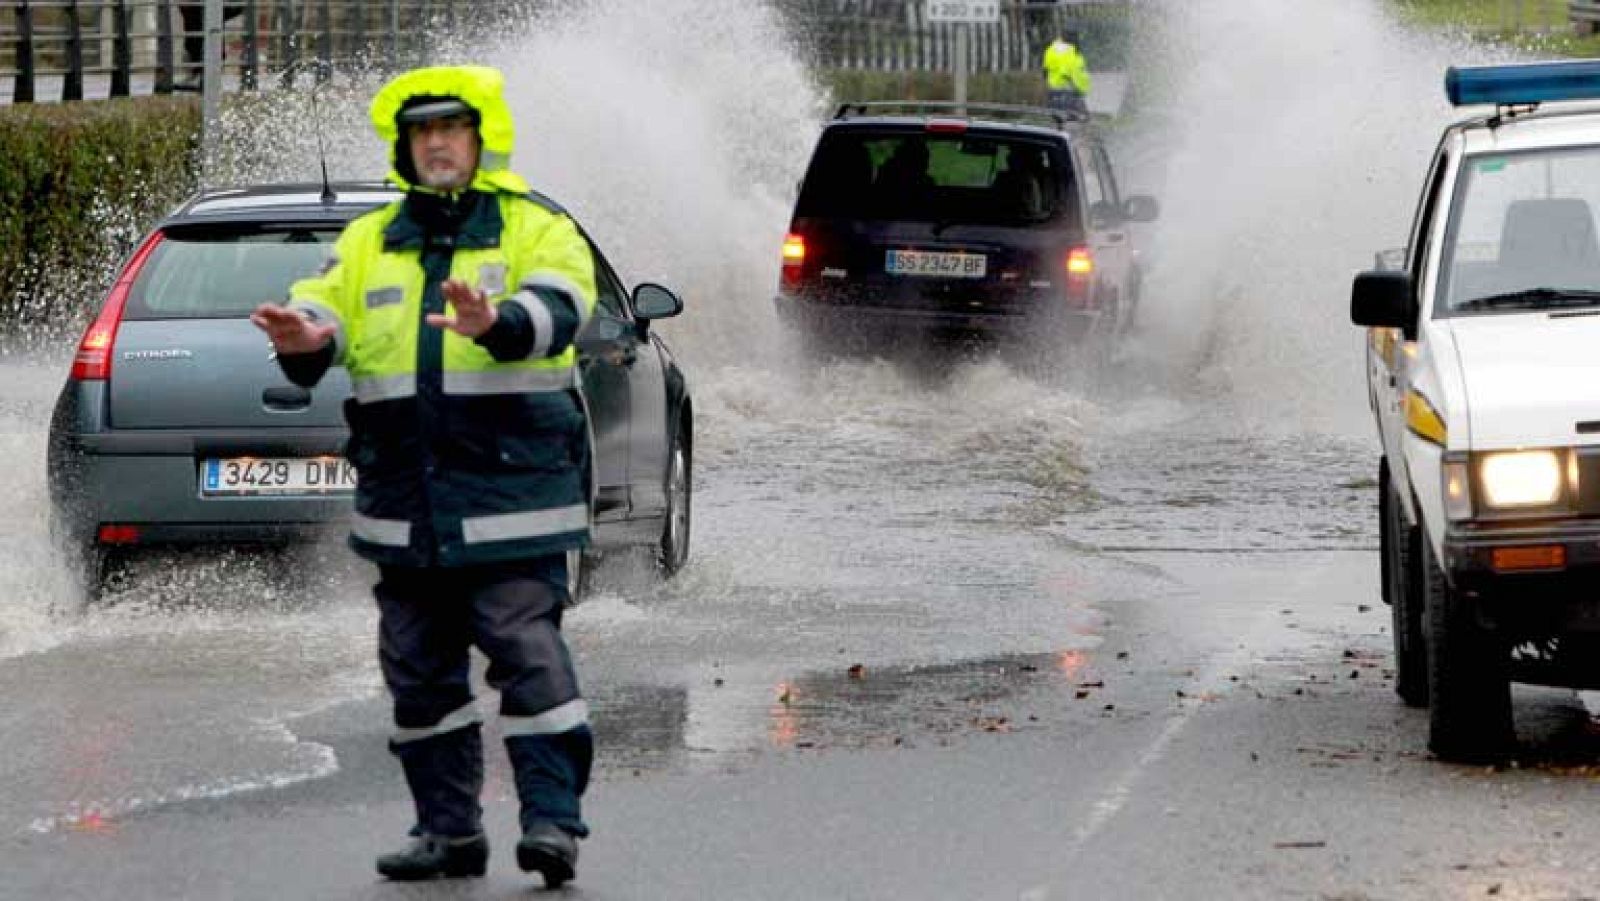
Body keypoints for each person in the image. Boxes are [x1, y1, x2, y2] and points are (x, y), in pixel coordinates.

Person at [249, 65, 597, 888]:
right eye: (421, 131)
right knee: (417, 674)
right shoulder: (371, 238)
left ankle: (552, 822)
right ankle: (448, 833)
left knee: (528, 656)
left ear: (483, 139)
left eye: (452, 127)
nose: (437, 142)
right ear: (405, 147)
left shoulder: (534, 226)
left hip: (513, 500)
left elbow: (563, 307)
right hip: (406, 507)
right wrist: (303, 339)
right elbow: (322, 309)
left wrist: (499, 319)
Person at [1041, 31, 1092, 116]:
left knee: (1055, 119)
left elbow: (1045, 71)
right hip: (1070, 90)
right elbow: (1076, 73)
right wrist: (1081, 89)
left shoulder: (1050, 49)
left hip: (1054, 90)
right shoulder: (1072, 51)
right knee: (1077, 119)